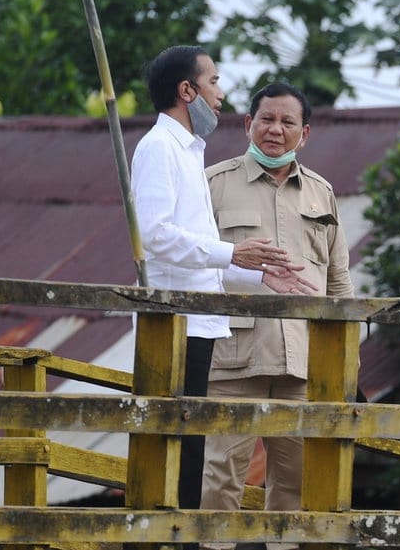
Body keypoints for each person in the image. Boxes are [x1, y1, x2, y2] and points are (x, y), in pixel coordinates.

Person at [130, 46, 315, 516]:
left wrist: (259, 275)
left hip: (203, 324)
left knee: (192, 458)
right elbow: (154, 236)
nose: (220, 93)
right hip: (174, 327)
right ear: (186, 90)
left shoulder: (189, 151)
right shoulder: (159, 147)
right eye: (213, 82)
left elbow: (201, 257)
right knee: (180, 459)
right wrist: (235, 252)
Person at [200, 82, 354, 550]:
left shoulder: (322, 194)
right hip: (233, 356)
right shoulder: (212, 184)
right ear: (248, 125)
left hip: (304, 362)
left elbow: (339, 284)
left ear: (303, 134)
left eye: (288, 122)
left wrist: (347, 365)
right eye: (266, 119)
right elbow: (190, 269)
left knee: (298, 484)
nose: (275, 130)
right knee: (219, 478)